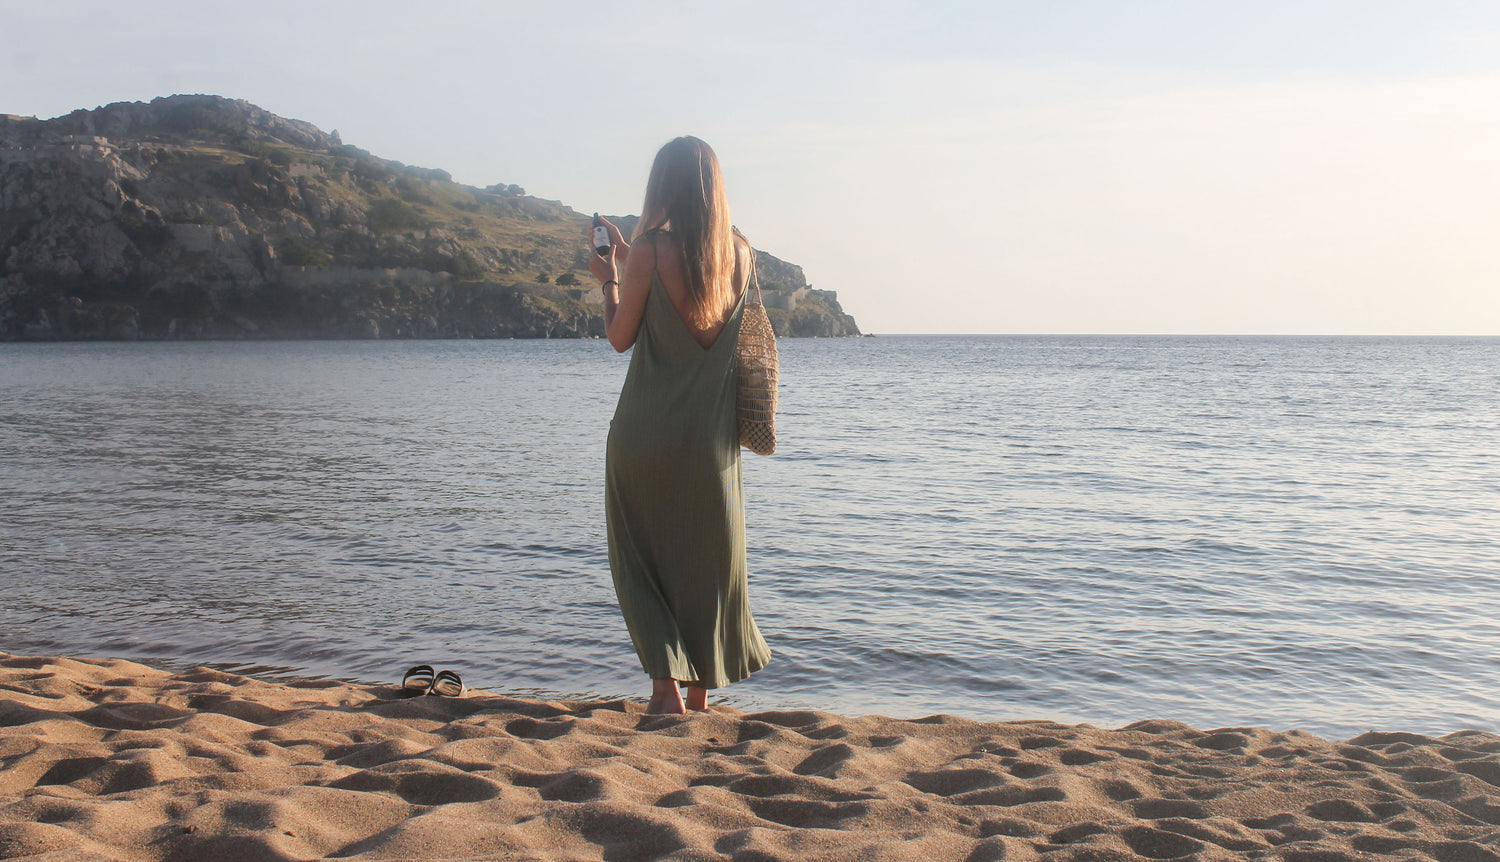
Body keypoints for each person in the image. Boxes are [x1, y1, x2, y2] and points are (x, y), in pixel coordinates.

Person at [588, 137, 771, 715]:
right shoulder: (742, 255)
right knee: (708, 565)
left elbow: (620, 337)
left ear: (662, 187)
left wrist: (609, 276)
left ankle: (664, 693)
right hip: (710, 445)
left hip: (643, 435)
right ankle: (699, 694)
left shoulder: (647, 250)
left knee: (641, 562)